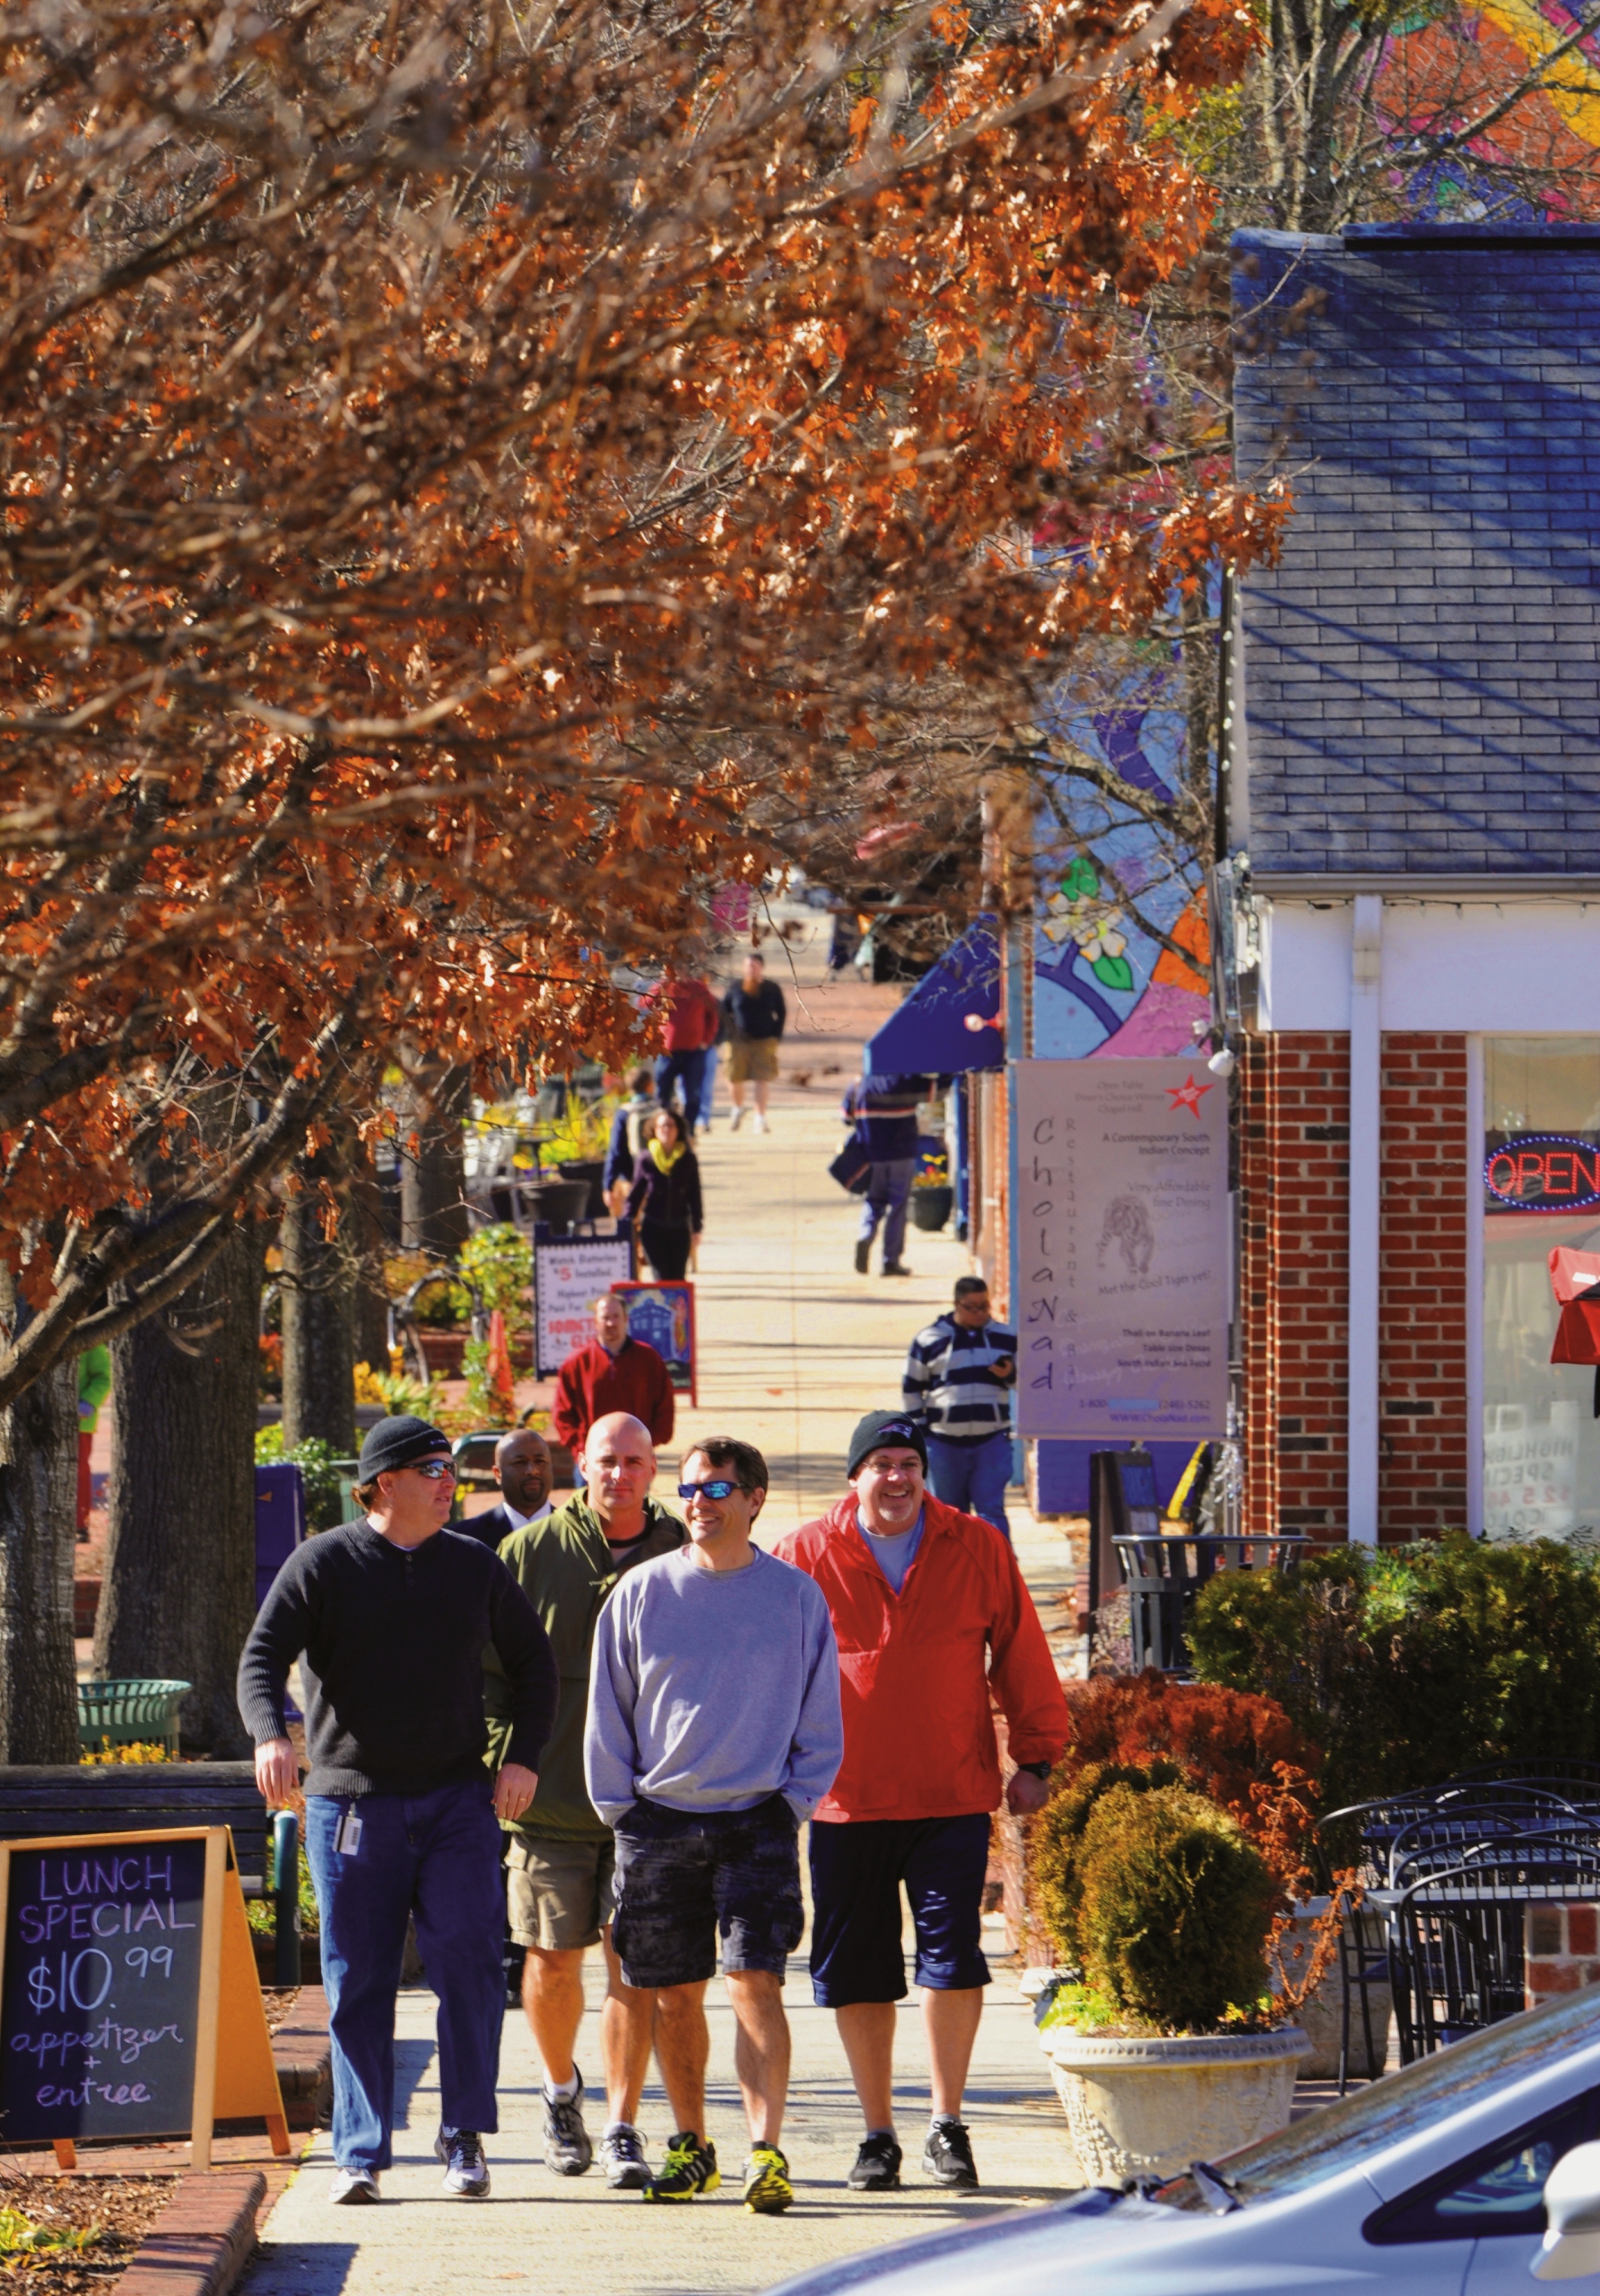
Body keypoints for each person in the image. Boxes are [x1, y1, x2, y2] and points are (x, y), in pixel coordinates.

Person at [238, 1415, 559, 2206]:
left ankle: (465, 2135)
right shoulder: (324, 1563)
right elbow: (259, 1658)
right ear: (384, 1482)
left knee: (473, 1970)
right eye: (433, 1468)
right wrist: (269, 1734)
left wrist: (521, 1756)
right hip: (351, 1804)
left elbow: (535, 1667)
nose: (451, 1480)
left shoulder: (473, 1567)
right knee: (358, 1979)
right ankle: (360, 2148)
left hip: (456, 1802)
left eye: (453, 1467)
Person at [775, 1410, 1068, 2195]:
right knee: (862, 1974)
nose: (897, 1477)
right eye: (881, 1464)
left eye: (908, 1461)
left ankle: (946, 2121)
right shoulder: (804, 1553)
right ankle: (878, 2133)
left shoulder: (974, 1543)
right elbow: (767, 1666)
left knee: (952, 1961)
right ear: (854, 1477)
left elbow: (1020, 1652)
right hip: (845, 1801)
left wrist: (1034, 1754)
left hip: (950, 1794)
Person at [585, 1437, 842, 2215]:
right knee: (670, 1994)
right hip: (658, 1821)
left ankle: (767, 2153)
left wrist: (791, 1802)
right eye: (691, 1487)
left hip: (756, 1822)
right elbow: (609, 1709)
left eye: (719, 1487)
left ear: (755, 1498)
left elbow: (821, 1717)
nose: (700, 1500)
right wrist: (620, 1806)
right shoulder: (640, 1592)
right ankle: (692, 2147)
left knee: (756, 1984)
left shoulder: (795, 1597)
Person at [486, 1413, 687, 2189]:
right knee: (551, 1959)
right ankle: (560, 2091)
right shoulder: (528, 1554)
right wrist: (505, 1756)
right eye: (608, 1459)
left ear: (652, 1466)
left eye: (635, 1460)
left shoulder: (685, 1549)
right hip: (554, 1799)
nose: (621, 1473)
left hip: (652, 1806)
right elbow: (485, 1672)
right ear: (585, 1465)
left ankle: (622, 2123)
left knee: (633, 1964)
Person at [902, 1278, 1018, 1539]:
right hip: (943, 1445)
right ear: (957, 1304)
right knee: (947, 1514)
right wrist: (920, 1437)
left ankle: (999, 1573)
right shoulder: (930, 1339)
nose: (979, 1313)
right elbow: (911, 1389)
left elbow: (1030, 1384)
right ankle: (954, 1575)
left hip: (992, 1442)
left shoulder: (1006, 1337)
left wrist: (1011, 1373)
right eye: (971, 1307)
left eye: (984, 1306)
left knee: (992, 1512)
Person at [554, 1293, 675, 1461]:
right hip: (592, 1458)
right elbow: (562, 1414)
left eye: (616, 1317)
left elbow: (665, 1407)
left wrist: (645, 1442)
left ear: (626, 1319)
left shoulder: (648, 1360)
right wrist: (582, 1446)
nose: (611, 1323)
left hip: (636, 1460)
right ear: (595, 1322)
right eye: (605, 1318)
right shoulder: (577, 1363)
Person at [841, 1072, 924, 1279]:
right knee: (898, 1206)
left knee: (874, 1200)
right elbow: (937, 1091)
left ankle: (866, 1235)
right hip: (902, 1154)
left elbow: (846, 1116)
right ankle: (890, 1261)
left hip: (872, 1155)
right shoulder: (906, 1080)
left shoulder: (859, 1083)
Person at [625, 1108, 703, 1283]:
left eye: (670, 1126)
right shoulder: (646, 1159)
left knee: (678, 1279)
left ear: (678, 1130)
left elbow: (695, 1195)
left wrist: (697, 1228)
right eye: (662, 1126)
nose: (666, 1130)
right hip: (653, 1228)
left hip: (680, 1227)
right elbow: (636, 1194)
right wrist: (627, 1224)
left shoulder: (688, 1159)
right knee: (661, 1277)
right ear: (654, 1130)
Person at [644, 969, 721, 1136]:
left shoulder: (698, 989)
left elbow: (713, 1013)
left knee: (693, 1093)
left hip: (694, 1051)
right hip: (668, 1051)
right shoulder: (665, 988)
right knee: (662, 1091)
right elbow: (646, 1002)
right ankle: (665, 1127)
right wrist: (662, 984)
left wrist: (706, 1039)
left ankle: (689, 1130)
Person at [458, 1426, 554, 1552]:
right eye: (520, 1462)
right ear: (498, 1474)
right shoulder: (466, 1540)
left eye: (540, 1461)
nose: (533, 1470)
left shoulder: (579, 1533)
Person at [720, 952, 786, 1133]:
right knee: (734, 1078)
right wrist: (727, 1034)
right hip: (738, 1041)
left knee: (762, 1079)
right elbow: (724, 1011)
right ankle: (738, 1108)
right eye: (748, 965)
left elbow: (781, 1013)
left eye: (755, 965)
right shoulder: (735, 987)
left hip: (764, 1041)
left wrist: (776, 1035)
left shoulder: (772, 988)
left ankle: (760, 1118)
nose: (751, 969)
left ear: (761, 968)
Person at [604, 1067, 661, 1212]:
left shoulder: (623, 1113)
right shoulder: (660, 1110)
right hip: (658, 1177)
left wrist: (608, 1185)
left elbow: (615, 1151)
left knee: (630, 1222)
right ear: (650, 1086)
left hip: (630, 1178)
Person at [76, 1344, 111, 1539]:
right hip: (43, 1420)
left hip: (80, 1421)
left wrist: (89, 1402)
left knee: (78, 1472)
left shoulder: (90, 1341)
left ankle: (80, 1524)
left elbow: (103, 1378)